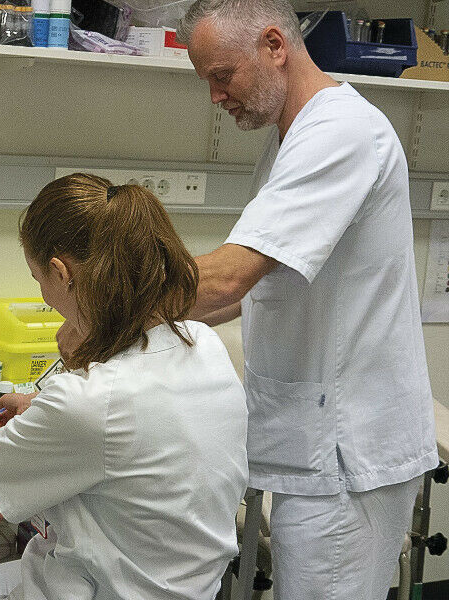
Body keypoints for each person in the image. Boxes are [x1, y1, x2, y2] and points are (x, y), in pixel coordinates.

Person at [177, 1, 438, 597]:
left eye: (222, 75)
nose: (215, 97)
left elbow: (229, 279)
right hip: (312, 440)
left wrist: (109, 299)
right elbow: (244, 293)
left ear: (274, 44)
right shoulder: (289, 138)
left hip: (348, 453)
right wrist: (129, 325)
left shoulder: (341, 132)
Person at [0, 174, 249, 600]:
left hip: (106, 591)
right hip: (187, 586)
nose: (44, 294)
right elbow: (137, 425)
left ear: (61, 273)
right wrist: (43, 406)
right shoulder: (203, 343)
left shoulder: (91, 402)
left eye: (39, 279)